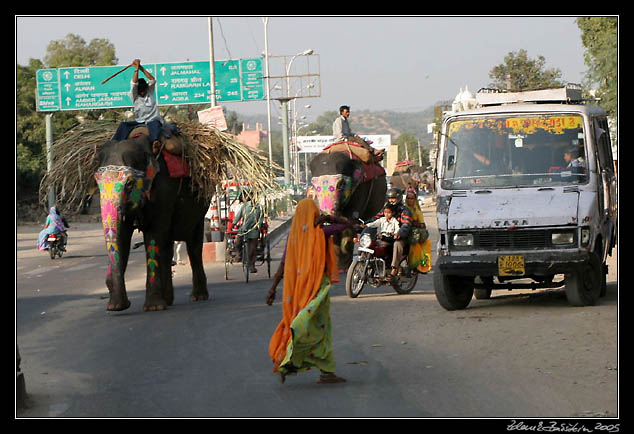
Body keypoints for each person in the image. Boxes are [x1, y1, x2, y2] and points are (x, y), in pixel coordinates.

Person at [266, 199, 352, 384]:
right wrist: (329, 217)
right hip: (317, 289)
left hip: (301, 291)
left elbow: (282, 266)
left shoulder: (295, 237)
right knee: (303, 326)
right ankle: (286, 360)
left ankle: (326, 372)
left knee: (315, 328)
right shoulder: (320, 232)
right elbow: (347, 224)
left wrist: (273, 289)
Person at [112, 59, 164, 152]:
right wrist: (136, 70)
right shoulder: (134, 95)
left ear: (146, 88)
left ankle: (155, 143)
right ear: (138, 90)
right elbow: (134, 83)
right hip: (140, 121)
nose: (143, 92)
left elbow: (152, 80)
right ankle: (113, 144)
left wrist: (141, 68)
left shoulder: (150, 92)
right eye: (141, 91)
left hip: (153, 121)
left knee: (155, 125)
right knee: (123, 125)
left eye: (144, 90)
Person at [365, 188, 413, 280]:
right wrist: (364, 224)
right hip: (387, 235)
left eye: (393, 198)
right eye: (390, 198)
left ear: (399, 198)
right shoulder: (386, 208)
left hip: (402, 237)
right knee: (374, 242)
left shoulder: (404, 210)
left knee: (397, 244)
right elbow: (376, 218)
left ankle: (394, 269)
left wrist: (399, 233)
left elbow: (406, 225)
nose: (391, 200)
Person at [232, 192, 264, 273]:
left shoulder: (259, 208)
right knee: (238, 243)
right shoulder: (245, 206)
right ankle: (239, 254)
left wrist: (258, 226)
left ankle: (251, 265)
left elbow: (261, 219)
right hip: (244, 229)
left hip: (254, 231)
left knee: (252, 249)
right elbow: (238, 216)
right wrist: (234, 223)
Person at [404, 188, 432, 274]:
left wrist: (415, 224)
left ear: (415, 199)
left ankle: (420, 265)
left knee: (423, 244)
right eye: (408, 198)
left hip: (413, 233)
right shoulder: (403, 209)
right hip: (404, 232)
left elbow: (422, 224)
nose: (409, 200)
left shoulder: (417, 210)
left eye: (412, 198)